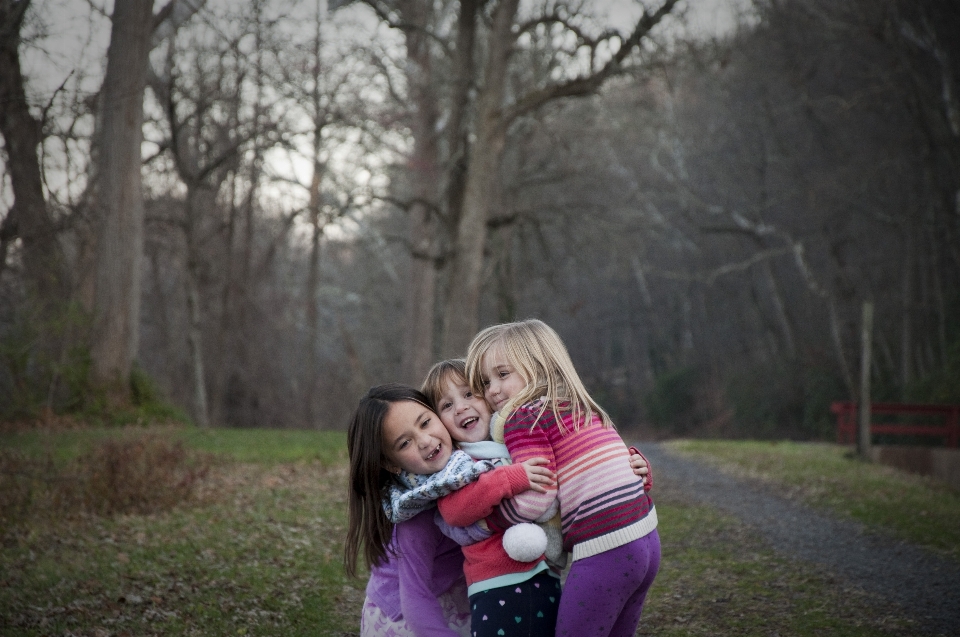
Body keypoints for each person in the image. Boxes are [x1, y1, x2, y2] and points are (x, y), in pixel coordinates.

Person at [421, 358, 654, 637]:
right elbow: (454, 509)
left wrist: (636, 468)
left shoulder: (517, 438)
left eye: (469, 394)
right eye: (446, 406)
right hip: (497, 582)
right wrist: (510, 478)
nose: (461, 407)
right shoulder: (457, 463)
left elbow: (577, 465)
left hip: (546, 573)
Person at [344, 383, 554, 637]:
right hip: (406, 617)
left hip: (456, 590)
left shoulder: (465, 466)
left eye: (424, 423)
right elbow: (415, 599)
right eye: (404, 443)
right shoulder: (415, 513)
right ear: (390, 463)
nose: (424, 441)